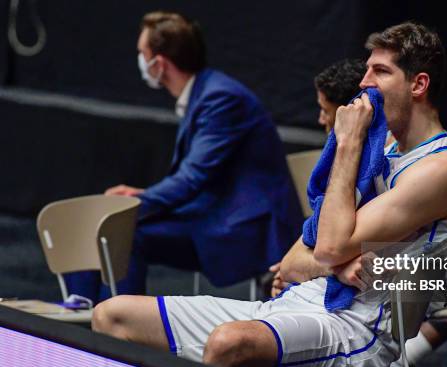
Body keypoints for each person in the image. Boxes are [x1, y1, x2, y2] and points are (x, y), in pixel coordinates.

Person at [91, 21, 447, 367]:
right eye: (367, 68)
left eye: (380, 71)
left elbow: (327, 248)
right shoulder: (382, 149)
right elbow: (297, 258)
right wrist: (333, 259)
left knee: (229, 345)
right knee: (113, 316)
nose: (365, 83)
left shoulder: (443, 169)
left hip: (357, 329)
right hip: (299, 302)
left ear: (418, 85)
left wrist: (347, 146)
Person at [65, 11, 303, 302]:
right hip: (214, 211)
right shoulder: (205, 92)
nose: (139, 60)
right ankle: (84, 314)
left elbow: (192, 178)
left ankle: (113, 330)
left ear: (159, 63)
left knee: (123, 233)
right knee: (106, 229)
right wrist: (141, 198)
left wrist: (136, 204)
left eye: (142, 53)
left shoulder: (220, 98)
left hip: (245, 226)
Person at [270, 58, 366, 297]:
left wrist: (297, 269)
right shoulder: (338, 160)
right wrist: (291, 268)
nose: (321, 120)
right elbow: (315, 235)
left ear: (348, 111)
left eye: (325, 110)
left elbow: (338, 250)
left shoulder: (377, 166)